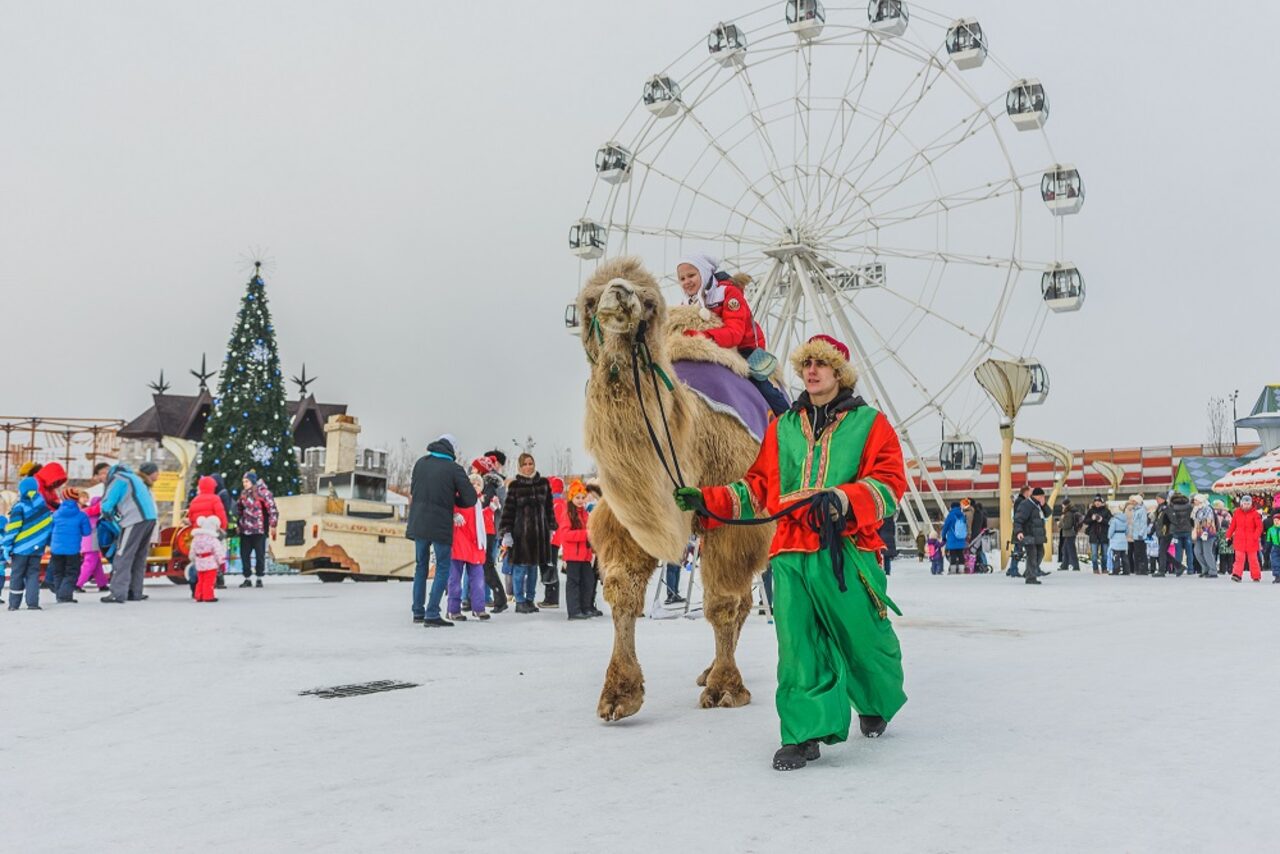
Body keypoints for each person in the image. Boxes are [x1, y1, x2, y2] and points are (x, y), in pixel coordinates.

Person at [674, 333, 907, 772]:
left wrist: (843, 499)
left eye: (821, 364)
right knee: (798, 645)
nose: (812, 371)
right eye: (806, 365)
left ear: (840, 373)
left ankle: (877, 698)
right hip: (790, 549)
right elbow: (758, 488)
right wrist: (709, 499)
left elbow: (891, 484)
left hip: (847, 550)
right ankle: (803, 733)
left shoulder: (872, 425)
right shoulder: (783, 427)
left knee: (864, 640)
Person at [676, 252, 789, 416]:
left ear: (703, 272)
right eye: (682, 278)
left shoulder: (728, 293)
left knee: (764, 387)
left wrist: (703, 337)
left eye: (691, 275)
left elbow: (735, 332)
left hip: (744, 348)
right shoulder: (686, 304)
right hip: (711, 347)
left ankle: (790, 420)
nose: (687, 282)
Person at [405, 434, 477, 627]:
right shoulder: (454, 469)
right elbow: (471, 498)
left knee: (421, 566)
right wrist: (453, 501)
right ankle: (432, 613)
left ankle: (418, 612)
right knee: (443, 567)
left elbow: (414, 490)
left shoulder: (420, 463)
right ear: (452, 449)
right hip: (440, 524)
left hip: (419, 521)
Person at [499, 453, 556, 614]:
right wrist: (507, 533)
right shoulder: (515, 486)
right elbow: (508, 511)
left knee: (533, 569)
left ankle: (530, 599)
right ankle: (520, 601)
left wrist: (551, 528)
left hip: (539, 535)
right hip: (521, 535)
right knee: (520, 569)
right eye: (525, 464)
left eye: (531, 463)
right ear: (520, 466)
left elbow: (549, 508)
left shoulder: (543, 484)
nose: (528, 466)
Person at [100, 461, 160, 604]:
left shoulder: (118, 478)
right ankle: (134, 592)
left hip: (134, 518)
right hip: (150, 518)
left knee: (123, 555)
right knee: (139, 556)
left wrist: (107, 515)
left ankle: (118, 593)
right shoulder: (134, 478)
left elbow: (107, 503)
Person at [3, 475, 55, 610]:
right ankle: (33, 603)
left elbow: (14, 528)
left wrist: (7, 545)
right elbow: (48, 528)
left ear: (22, 490)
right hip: (37, 549)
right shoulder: (44, 509)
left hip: (20, 549)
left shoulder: (20, 507)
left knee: (17, 575)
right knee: (33, 575)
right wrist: (46, 543)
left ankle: (14, 604)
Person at [446, 474, 489, 621]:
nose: (475, 485)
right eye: (473, 483)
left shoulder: (479, 502)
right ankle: (453, 609)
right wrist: (453, 514)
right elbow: (447, 508)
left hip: (475, 543)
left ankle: (479, 608)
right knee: (455, 578)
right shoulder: (458, 497)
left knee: (478, 578)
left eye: (478, 483)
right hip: (459, 541)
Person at [472, 456, 507, 613]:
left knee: (486, 565)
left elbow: (482, 507)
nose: (472, 471)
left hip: (487, 530)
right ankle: (497, 597)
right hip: (486, 530)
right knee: (485, 565)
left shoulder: (487, 486)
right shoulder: (487, 485)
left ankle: (500, 597)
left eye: (474, 468)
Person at [557, 479, 595, 620]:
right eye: (577, 497)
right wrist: (585, 534)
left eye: (582, 497)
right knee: (574, 583)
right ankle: (574, 611)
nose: (580, 500)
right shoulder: (568, 514)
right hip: (573, 556)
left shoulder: (584, 513)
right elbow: (566, 535)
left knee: (588, 581)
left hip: (585, 555)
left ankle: (585, 607)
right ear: (571, 498)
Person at [48, 486, 92, 603]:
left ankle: (60, 595)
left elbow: (50, 530)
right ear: (76, 499)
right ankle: (64, 596)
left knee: (58, 572)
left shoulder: (55, 514)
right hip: (72, 550)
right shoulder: (81, 515)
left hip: (56, 549)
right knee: (72, 572)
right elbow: (87, 532)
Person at [236, 472, 277, 588]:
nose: (244, 484)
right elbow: (239, 509)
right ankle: (247, 577)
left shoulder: (263, 493)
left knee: (259, 555)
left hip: (259, 530)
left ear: (253, 481)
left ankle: (259, 577)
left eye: (247, 481)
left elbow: (272, 509)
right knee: (245, 554)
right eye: (243, 482)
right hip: (245, 530)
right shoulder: (243, 494)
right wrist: (238, 523)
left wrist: (272, 524)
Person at [1014, 487, 1050, 584]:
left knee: (1041, 553)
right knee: (1032, 555)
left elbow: (1048, 514)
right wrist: (1019, 532)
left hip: (1037, 535)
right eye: (1042, 496)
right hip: (1028, 534)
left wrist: (1044, 505)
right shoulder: (1026, 504)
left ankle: (1029, 572)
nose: (1043, 498)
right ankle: (1031, 577)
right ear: (1036, 496)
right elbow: (1018, 519)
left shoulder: (1039, 505)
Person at [76, 495, 110, 592]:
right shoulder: (96, 517)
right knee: (89, 564)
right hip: (92, 544)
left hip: (87, 544)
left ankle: (102, 584)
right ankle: (77, 584)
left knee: (97, 565)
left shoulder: (87, 514)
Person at [541, 476, 565, 609]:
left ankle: (551, 598)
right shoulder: (560, 502)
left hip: (551, 540)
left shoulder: (554, 503)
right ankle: (550, 597)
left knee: (550, 567)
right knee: (550, 566)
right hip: (555, 540)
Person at [190, 515, 226, 603]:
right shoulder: (213, 539)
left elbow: (192, 550)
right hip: (210, 562)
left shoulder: (196, 538)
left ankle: (199, 595)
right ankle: (208, 596)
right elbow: (218, 551)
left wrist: (193, 559)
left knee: (201, 580)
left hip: (199, 561)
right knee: (209, 581)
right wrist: (221, 562)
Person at [1227, 495, 1263, 582]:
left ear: (1251, 504)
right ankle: (1237, 575)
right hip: (1239, 539)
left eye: (1248, 504)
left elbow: (1259, 527)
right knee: (1239, 559)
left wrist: (1255, 536)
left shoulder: (1255, 514)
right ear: (1241, 504)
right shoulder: (1237, 513)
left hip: (1252, 540)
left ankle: (1256, 576)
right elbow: (1232, 526)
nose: (1246, 505)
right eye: (1244, 503)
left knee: (1253, 559)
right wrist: (1228, 536)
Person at [1190, 494, 1219, 578]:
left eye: (1196, 500)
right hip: (1199, 533)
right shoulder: (1196, 510)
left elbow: (1208, 521)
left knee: (1207, 552)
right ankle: (1205, 569)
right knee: (1197, 551)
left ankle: (1213, 571)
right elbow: (1194, 521)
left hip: (1208, 533)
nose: (1194, 501)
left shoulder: (1207, 508)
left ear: (1200, 500)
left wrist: (1205, 532)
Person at [1166, 491, 1194, 575]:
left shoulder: (1172, 506)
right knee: (1189, 551)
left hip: (1176, 531)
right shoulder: (1189, 506)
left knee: (1178, 551)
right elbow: (1191, 518)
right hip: (1187, 530)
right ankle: (1190, 569)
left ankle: (1178, 569)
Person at [1007, 485, 1031, 577]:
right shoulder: (1021, 501)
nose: (1031, 493)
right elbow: (1021, 516)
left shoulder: (1020, 501)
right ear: (1026, 492)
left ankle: (1012, 569)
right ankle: (1013, 569)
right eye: (1030, 491)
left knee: (1019, 550)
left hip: (1020, 529)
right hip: (1021, 530)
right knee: (1019, 550)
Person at [1083, 494, 1110, 574]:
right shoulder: (1091, 511)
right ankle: (1095, 569)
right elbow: (1085, 521)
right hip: (1093, 535)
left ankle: (1104, 568)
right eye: (1096, 501)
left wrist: (1102, 520)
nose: (1097, 503)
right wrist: (1092, 519)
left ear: (1102, 502)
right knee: (1094, 555)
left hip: (1104, 535)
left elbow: (1110, 522)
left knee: (1105, 554)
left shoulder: (1106, 511)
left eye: (1099, 501)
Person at [1125, 495, 1149, 576]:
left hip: (1139, 535)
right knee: (1137, 553)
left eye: (1134, 501)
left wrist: (1141, 533)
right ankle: (1138, 568)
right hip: (1135, 534)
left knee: (1141, 552)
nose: (1133, 502)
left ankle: (1143, 569)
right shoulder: (1135, 510)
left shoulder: (1142, 510)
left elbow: (1143, 523)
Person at [941, 501, 967, 573]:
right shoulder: (962, 515)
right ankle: (961, 570)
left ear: (951, 507)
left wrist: (943, 536)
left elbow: (945, 527)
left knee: (953, 554)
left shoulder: (950, 515)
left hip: (952, 538)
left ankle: (953, 570)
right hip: (961, 538)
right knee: (960, 554)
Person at [1057, 498, 1081, 571]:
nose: (1062, 507)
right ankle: (1065, 565)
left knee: (1071, 550)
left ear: (1065, 505)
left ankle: (1075, 566)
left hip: (1069, 534)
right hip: (1071, 533)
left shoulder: (1068, 514)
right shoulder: (1071, 512)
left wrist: (1059, 524)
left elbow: (1067, 525)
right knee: (1065, 549)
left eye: (1063, 505)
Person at [1151, 493, 1172, 576]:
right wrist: (1152, 531)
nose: (1157, 500)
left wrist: (1169, 531)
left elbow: (1171, 521)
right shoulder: (1159, 508)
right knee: (1163, 552)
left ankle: (1161, 571)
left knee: (1162, 552)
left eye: (1158, 498)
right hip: (1160, 532)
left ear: (1163, 499)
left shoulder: (1167, 508)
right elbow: (1156, 521)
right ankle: (1179, 566)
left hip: (1166, 533)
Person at [1107, 506, 1129, 575]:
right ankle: (1126, 570)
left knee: (1116, 557)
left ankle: (1116, 570)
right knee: (1124, 557)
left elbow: (1111, 531)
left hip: (1116, 540)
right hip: (1123, 539)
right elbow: (1127, 531)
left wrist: (1109, 536)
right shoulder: (1125, 520)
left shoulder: (1114, 520)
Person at [1266, 513, 1280, 583]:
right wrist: (1267, 549)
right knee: (1275, 562)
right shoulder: (1270, 530)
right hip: (1275, 547)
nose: (1276, 522)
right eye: (1275, 520)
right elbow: (1268, 540)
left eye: (1278, 520)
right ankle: (1277, 576)